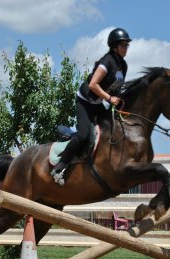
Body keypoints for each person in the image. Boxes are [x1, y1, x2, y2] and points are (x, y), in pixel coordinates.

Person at [51, 28, 131, 186]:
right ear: (115, 46)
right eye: (123, 45)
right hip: (85, 101)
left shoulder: (123, 65)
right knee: (83, 135)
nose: (126, 48)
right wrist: (109, 98)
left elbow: (116, 89)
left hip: (99, 103)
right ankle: (59, 168)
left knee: (113, 126)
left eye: (127, 45)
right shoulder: (107, 62)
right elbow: (93, 84)